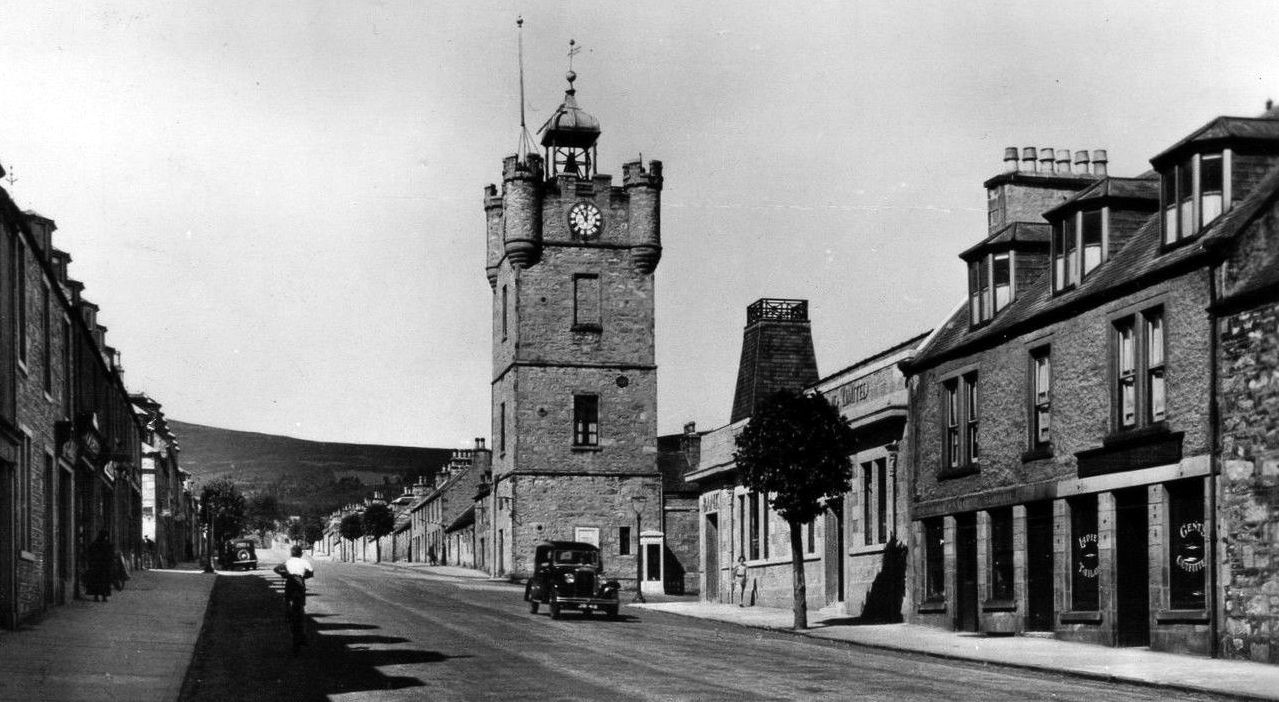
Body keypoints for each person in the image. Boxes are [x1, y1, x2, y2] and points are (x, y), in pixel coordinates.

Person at [274, 545, 314, 654]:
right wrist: (304, 576)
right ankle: (302, 634)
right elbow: (311, 572)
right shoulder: (304, 562)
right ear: (300, 554)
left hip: (290, 584)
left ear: (291, 553)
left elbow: (276, 569)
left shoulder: (287, 561)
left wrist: (284, 574)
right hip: (300, 585)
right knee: (300, 608)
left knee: (287, 601)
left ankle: (288, 613)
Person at [85, 531, 114, 602]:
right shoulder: (107, 544)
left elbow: (90, 554)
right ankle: (104, 597)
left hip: (96, 567)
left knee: (96, 582)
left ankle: (96, 597)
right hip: (104, 568)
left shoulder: (95, 544)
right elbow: (110, 556)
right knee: (104, 583)